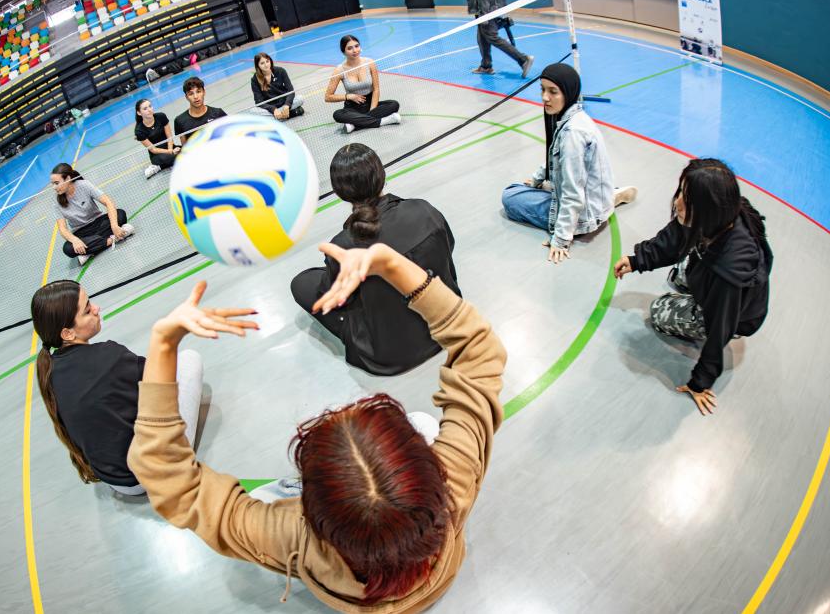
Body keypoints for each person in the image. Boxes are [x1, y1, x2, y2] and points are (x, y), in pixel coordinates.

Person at [129, 242, 506, 609]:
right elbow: (477, 350)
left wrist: (163, 345)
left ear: (311, 514)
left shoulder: (293, 538)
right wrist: (392, 265)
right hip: (436, 580)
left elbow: (172, 483)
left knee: (265, 498)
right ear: (432, 480)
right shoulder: (456, 483)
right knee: (423, 422)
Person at [614, 159, 772, 416]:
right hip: (711, 275)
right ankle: (694, 292)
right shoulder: (721, 215)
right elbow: (673, 238)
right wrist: (637, 260)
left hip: (736, 314)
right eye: (680, 192)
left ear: (709, 209)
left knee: (659, 310)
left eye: (687, 200)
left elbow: (721, 326)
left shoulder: (728, 271)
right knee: (678, 274)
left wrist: (701, 382)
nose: (677, 203)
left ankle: (692, 311)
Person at [291, 143, 460, 375]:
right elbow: (448, 249)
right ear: (382, 175)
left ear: (340, 192)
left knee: (302, 283)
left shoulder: (344, 245)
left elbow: (333, 298)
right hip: (449, 324)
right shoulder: (424, 209)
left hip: (388, 355)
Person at [31, 279, 204, 495]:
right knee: (189, 359)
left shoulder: (49, 374)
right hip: (156, 472)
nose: (96, 309)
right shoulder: (109, 354)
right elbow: (161, 382)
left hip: (117, 482)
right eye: (87, 310)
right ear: (67, 333)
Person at [501, 63, 637, 264]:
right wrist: (538, 179)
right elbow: (555, 161)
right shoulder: (576, 117)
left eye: (553, 92)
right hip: (596, 201)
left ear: (567, 92)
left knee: (510, 196)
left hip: (583, 217)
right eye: (543, 90)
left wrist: (561, 239)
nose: (545, 97)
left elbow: (573, 194)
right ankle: (610, 199)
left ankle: (594, 213)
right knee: (533, 186)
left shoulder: (572, 134)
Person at [50, 163, 135, 266]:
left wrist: (114, 225)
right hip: (81, 232)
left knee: (120, 214)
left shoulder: (84, 185)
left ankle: (89, 250)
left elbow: (108, 202)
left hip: (99, 223)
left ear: (67, 178)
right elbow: (62, 228)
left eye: (56, 183)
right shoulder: (56, 200)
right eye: (52, 184)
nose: (54, 187)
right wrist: (75, 240)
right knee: (67, 248)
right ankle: (114, 238)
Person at [325, 35, 401, 134]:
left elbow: (376, 89)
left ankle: (354, 125)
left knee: (394, 104)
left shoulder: (370, 63)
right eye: (350, 48)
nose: (355, 50)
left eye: (357, 46)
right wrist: (348, 96)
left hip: (371, 104)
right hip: (352, 108)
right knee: (337, 114)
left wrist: (373, 110)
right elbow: (328, 97)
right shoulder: (339, 70)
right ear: (343, 51)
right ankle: (383, 121)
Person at [173, 76, 227, 146]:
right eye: (191, 94)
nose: (195, 97)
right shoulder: (179, 121)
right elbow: (185, 148)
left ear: (204, 92)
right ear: (186, 97)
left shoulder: (218, 113)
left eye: (198, 92)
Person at [250, 52, 305, 120]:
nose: (266, 65)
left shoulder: (280, 71)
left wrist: (287, 105)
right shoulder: (254, 80)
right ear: (257, 65)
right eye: (262, 63)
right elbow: (259, 102)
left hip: (284, 103)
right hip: (270, 108)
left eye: (267, 61)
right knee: (253, 112)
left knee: (300, 98)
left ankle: (277, 117)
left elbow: (291, 91)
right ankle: (290, 114)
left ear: (270, 61)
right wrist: (273, 109)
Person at [134, 98, 179, 180]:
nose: (149, 110)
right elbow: (153, 149)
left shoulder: (161, 116)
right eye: (145, 108)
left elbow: (169, 137)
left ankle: (164, 165)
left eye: (150, 106)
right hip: (157, 155)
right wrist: (171, 152)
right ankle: (157, 166)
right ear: (139, 113)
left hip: (170, 146)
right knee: (167, 157)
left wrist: (170, 149)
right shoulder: (139, 131)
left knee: (186, 149)